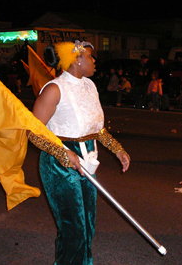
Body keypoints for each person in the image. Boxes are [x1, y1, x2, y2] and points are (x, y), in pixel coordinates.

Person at [29, 40, 130, 264]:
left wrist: (117, 149)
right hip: (60, 164)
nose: (95, 61)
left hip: (87, 161)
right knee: (73, 228)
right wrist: (64, 154)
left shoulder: (90, 86)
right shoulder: (55, 89)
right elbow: (34, 132)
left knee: (87, 226)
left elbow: (96, 129)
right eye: (91, 56)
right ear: (77, 59)